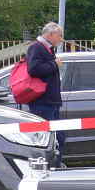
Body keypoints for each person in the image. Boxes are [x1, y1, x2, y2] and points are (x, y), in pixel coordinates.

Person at [26, 21, 66, 168]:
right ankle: (49, 167)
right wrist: (54, 64)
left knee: (58, 137)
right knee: (48, 138)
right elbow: (33, 69)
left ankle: (55, 165)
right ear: (50, 34)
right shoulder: (36, 47)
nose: (61, 39)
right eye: (59, 35)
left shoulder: (47, 49)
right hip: (42, 102)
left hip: (50, 101)